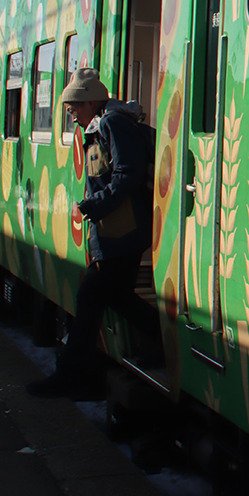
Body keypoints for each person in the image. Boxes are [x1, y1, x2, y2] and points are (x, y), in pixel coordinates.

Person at [28, 69, 159, 399]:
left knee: (90, 299)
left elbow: (127, 173)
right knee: (116, 296)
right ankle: (163, 344)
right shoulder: (105, 123)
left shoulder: (112, 123)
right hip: (120, 229)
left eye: (74, 110)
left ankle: (70, 374)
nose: (73, 118)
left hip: (121, 231)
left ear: (89, 102)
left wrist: (93, 205)